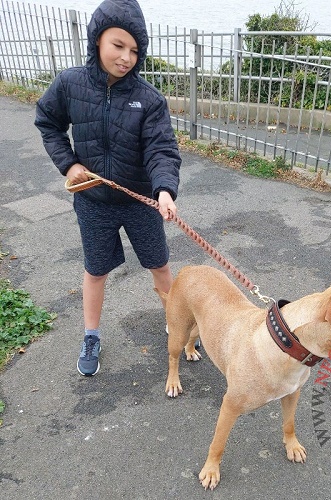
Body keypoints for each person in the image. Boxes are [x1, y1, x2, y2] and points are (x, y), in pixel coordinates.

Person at [35, 0, 181, 377]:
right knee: (95, 271)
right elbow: (47, 123)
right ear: (97, 39)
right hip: (93, 201)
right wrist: (70, 164)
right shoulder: (69, 83)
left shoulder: (149, 99)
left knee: (159, 265)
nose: (126, 57)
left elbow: (161, 149)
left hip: (140, 202)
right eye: (118, 45)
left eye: (135, 50)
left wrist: (164, 190)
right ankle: (91, 334)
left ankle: (176, 324)